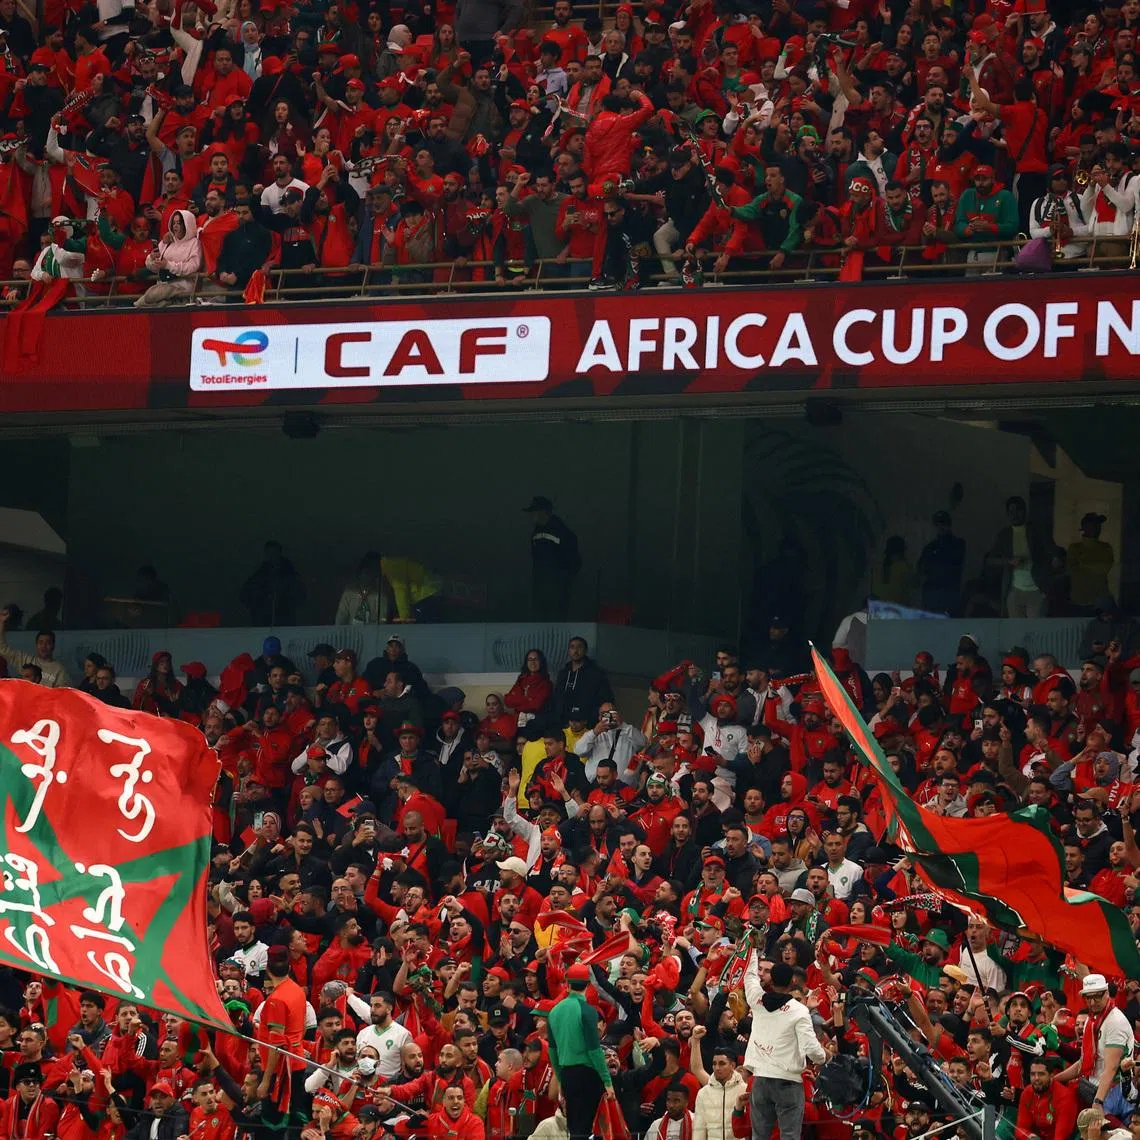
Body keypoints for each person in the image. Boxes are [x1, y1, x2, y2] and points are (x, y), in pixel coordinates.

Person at [741, 958, 825, 1139]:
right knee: (789, 1136)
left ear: (771, 980)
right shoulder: (799, 1010)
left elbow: (749, 977)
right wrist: (823, 1058)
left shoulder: (757, 1000)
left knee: (759, 1137)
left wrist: (752, 949)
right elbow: (811, 1048)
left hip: (761, 1079)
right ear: (793, 981)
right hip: (788, 1082)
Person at [547, 963, 613, 1140]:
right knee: (589, 1128)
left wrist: (560, 1079)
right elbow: (594, 1050)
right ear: (588, 984)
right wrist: (607, 1081)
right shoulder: (588, 1011)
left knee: (574, 1127)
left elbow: (552, 1050)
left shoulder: (554, 1012)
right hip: (588, 1075)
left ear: (567, 984)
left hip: (567, 1075)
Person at [524, 497, 580, 620]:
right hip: (541, 588)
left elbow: (573, 562)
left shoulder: (563, 533)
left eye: (534, 512)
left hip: (556, 591)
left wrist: (562, 580)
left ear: (543, 512)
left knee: (555, 623)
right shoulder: (536, 532)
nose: (532, 516)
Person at [916, 511, 965, 615]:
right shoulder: (930, 547)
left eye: (943, 523)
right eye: (938, 524)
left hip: (949, 595)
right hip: (932, 596)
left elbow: (952, 566)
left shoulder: (958, 544)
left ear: (949, 525)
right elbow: (921, 567)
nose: (941, 527)